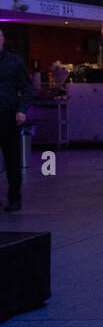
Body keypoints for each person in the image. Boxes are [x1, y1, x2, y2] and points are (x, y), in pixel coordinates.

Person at [0, 27, 36, 212]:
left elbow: (28, 88)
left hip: (7, 116)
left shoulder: (14, 62)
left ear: (3, 40)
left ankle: (14, 197)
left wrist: (22, 110)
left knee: (12, 159)